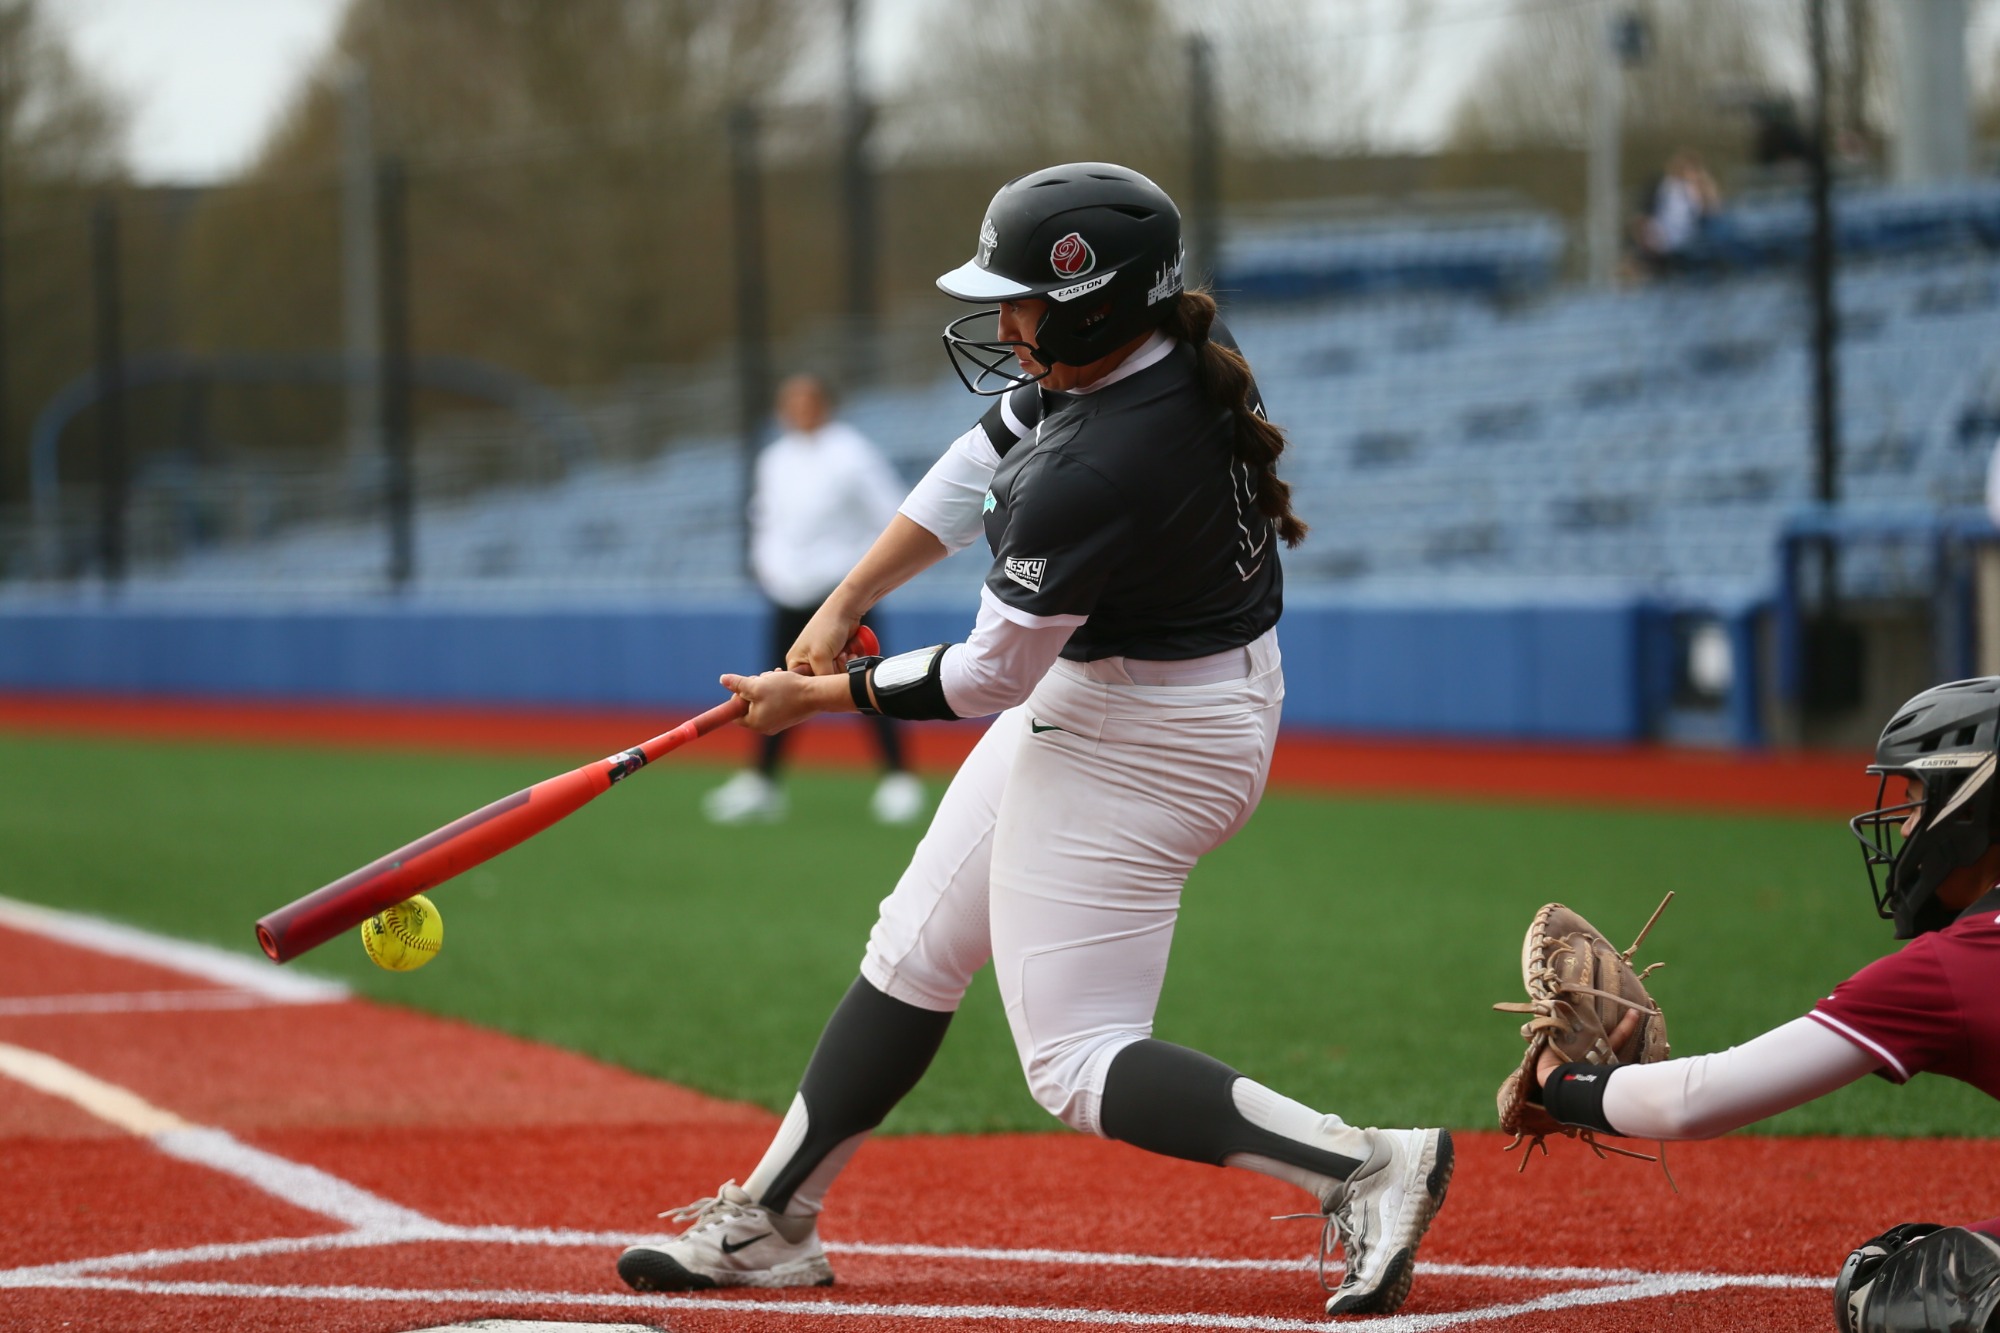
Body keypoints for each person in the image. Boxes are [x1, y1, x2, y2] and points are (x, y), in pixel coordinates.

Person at [616, 163, 1453, 1318]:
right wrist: (840, 599)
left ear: (1098, 302)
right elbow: (975, 460)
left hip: (1145, 735)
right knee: (911, 947)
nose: (1003, 324)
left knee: (1074, 1058)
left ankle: (1361, 1166)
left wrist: (817, 698)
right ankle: (773, 1219)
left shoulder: (1098, 461)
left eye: (1023, 301)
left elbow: (985, 676)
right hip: (1146, 698)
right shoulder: (1132, 364)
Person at [1524, 676, 2000, 1333]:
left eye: (1916, 799)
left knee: (1896, 1284)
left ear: (1972, 809)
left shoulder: (1956, 962)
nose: (1904, 825)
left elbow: (1699, 1098)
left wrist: (1557, 1082)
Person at [703, 373, 925, 826]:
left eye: (806, 401)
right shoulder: (774, 458)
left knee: (864, 681)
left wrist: (858, 583)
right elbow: (764, 519)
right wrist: (771, 570)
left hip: (840, 593)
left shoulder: (851, 453)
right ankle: (762, 782)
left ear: (824, 404)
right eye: (790, 402)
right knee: (774, 680)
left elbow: (892, 515)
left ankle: (898, 779)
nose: (798, 409)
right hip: (788, 592)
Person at [1630, 149, 1721, 277]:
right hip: (1658, 236)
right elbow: (1642, 216)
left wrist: (1702, 183)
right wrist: (1646, 237)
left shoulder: (1697, 188)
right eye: (1681, 167)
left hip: (1690, 238)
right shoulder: (1660, 186)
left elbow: (1713, 211)